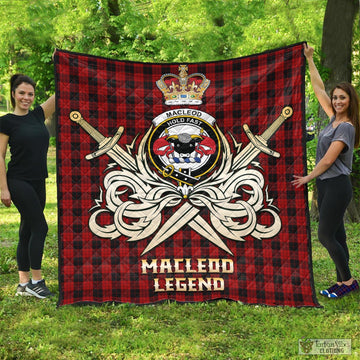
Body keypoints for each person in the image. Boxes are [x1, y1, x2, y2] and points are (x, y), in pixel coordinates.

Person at [292, 44, 359, 299]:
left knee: (324, 235)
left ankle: (348, 281)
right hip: (326, 184)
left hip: (337, 184)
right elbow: (319, 89)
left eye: (343, 97)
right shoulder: (333, 119)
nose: (337, 101)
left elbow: (330, 159)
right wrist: (310, 60)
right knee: (338, 235)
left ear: (351, 100)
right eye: (336, 98)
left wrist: (308, 177)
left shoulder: (347, 127)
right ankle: (343, 282)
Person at [0, 74, 55, 298]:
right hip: (18, 180)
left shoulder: (38, 115)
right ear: (13, 94)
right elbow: (0, 155)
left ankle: (23, 284)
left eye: (30, 94)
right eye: (21, 93)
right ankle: (37, 281)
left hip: (38, 180)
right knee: (41, 227)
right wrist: (3, 189)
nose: (26, 97)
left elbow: (60, 92)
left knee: (27, 230)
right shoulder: (6, 121)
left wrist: (62, 62)